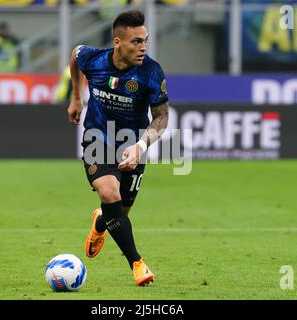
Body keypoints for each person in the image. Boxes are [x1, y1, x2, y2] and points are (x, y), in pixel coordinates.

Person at [67, 9, 169, 286]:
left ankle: (100, 223)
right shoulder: (95, 59)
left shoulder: (151, 71)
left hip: (132, 144)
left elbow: (161, 118)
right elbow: (75, 55)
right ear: (117, 42)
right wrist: (76, 97)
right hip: (97, 137)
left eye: (145, 40)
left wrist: (140, 145)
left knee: (118, 215)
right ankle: (138, 263)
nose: (143, 47)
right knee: (109, 192)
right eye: (136, 41)